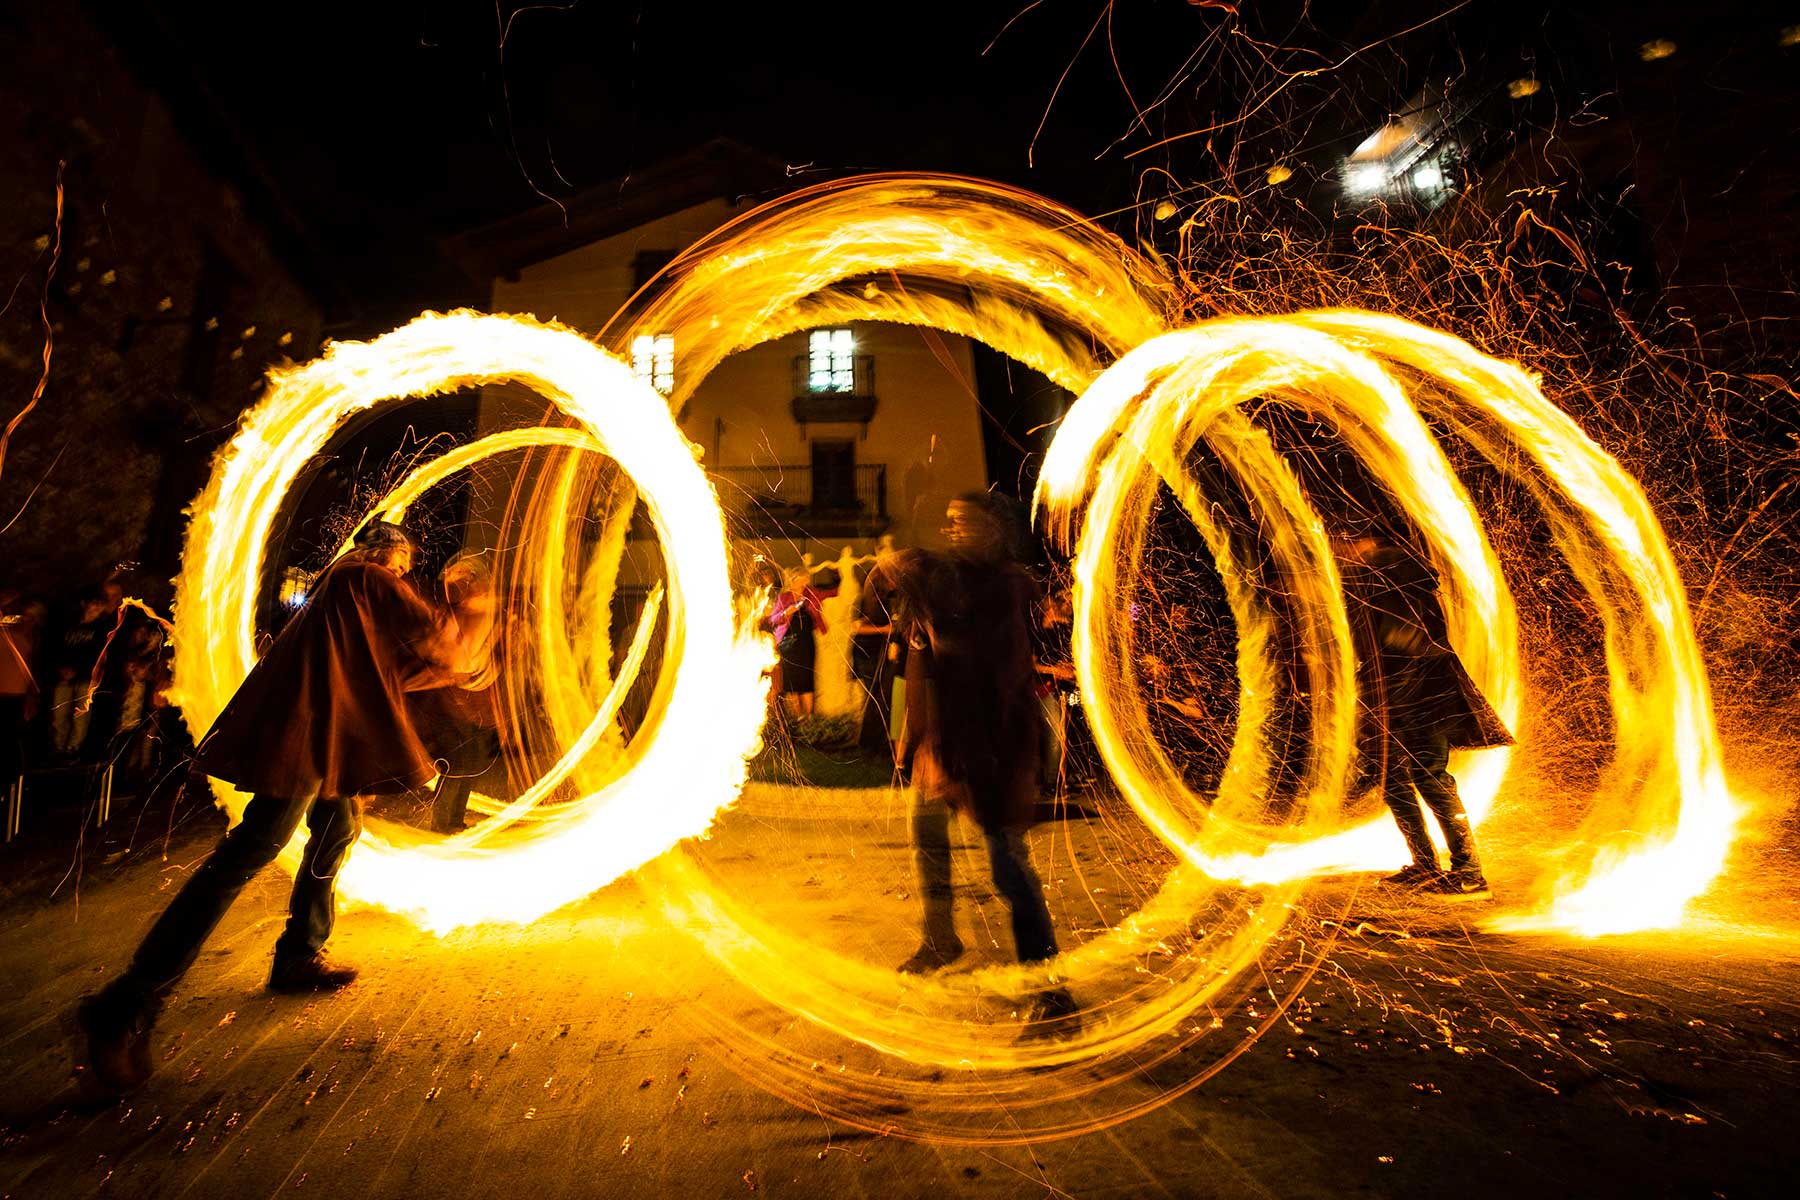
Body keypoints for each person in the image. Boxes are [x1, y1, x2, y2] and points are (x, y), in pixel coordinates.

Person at [72, 521, 490, 1093]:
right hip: (305, 734)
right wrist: (478, 605)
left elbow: (387, 669)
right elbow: (441, 641)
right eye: (402, 563)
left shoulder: (336, 589)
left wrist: (456, 659)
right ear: (384, 552)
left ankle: (299, 954)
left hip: (319, 730)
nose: (402, 575)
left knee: (338, 826)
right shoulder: (363, 577)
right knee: (252, 849)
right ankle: (125, 1003)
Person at [888, 493, 1075, 1029]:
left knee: (1008, 866)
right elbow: (921, 665)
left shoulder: (1006, 585)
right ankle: (941, 939)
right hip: (945, 742)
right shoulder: (942, 585)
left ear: (995, 530)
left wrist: (909, 573)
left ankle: (1049, 987)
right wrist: (912, 737)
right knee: (927, 838)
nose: (954, 531)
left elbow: (986, 660)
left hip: (997, 745)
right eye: (949, 522)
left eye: (967, 523)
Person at [1338, 532, 1511, 898]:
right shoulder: (1373, 580)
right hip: (1396, 696)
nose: (1338, 550)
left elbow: (1414, 642)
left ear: (1365, 540)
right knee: (1392, 779)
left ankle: (1469, 873)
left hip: (1424, 696)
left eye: (1344, 541)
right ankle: (1425, 865)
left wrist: (1390, 692)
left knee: (1429, 777)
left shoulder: (1397, 576)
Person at [412, 553, 503, 834]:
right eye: (459, 582)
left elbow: (484, 649)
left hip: (474, 700)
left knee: (472, 762)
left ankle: (453, 818)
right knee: (458, 763)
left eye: (468, 581)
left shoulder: (483, 611)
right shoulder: (454, 616)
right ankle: (442, 821)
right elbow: (441, 652)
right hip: (452, 701)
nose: (464, 587)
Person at [767, 566, 827, 719]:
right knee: (792, 684)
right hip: (789, 645)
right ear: (791, 581)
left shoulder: (811, 596)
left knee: (807, 681)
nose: (801, 584)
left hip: (807, 644)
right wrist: (788, 612)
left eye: (803, 581)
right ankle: (798, 718)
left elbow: (827, 597)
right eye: (798, 581)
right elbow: (773, 619)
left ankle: (809, 719)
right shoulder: (784, 598)